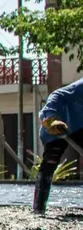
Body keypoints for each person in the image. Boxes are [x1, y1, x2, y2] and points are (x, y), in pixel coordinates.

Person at [33, 76, 83, 214]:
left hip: (79, 126)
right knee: (50, 162)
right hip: (57, 124)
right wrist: (51, 117)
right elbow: (57, 95)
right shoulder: (81, 86)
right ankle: (39, 208)